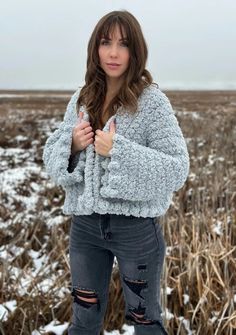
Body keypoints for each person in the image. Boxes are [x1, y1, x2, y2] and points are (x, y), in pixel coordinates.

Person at [42, 9, 190, 335]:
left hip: (135, 231)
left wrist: (119, 151)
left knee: (145, 321)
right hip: (85, 229)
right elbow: (52, 156)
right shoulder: (82, 98)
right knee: (83, 322)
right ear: (95, 47)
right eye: (106, 42)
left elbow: (178, 168)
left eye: (123, 44)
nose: (113, 53)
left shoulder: (152, 102)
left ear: (135, 51)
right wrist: (72, 145)